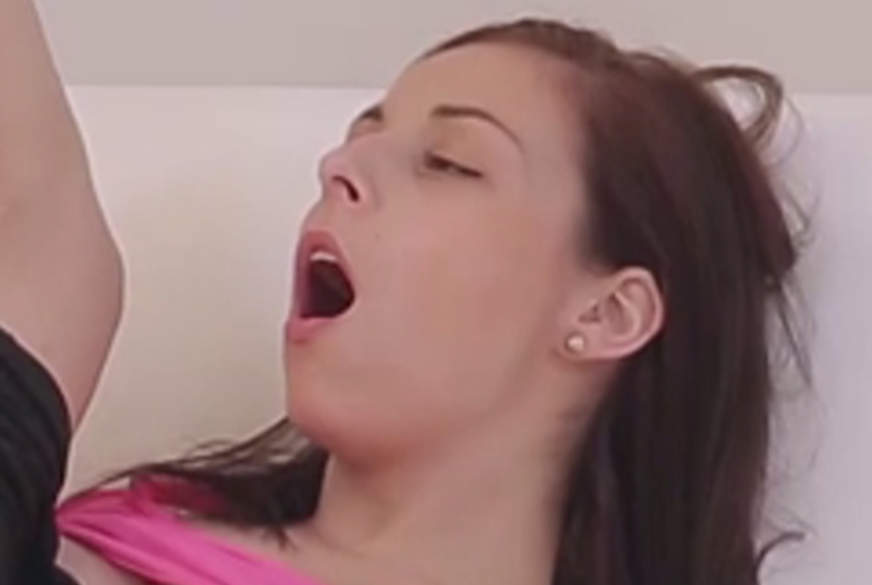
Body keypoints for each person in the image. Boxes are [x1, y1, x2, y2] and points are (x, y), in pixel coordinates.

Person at [0, 1, 809, 584]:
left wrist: (58, 273)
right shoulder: (109, 529)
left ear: (606, 312)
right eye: (362, 135)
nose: (337, 166)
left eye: (449, 163)